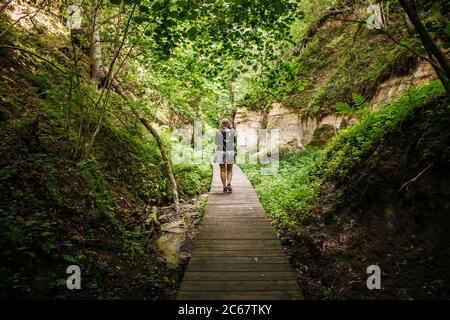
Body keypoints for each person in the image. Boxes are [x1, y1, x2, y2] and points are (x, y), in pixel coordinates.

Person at [214, 118, 237, 192]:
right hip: (230, 152)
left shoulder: (219, 132)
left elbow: (216, 143)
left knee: (222, 170)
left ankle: (224, 186)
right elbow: (235, 142)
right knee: (229, 169)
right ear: (229, 123)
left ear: (221, 124)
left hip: (220, 152)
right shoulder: (233, 132)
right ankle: (229, 183)